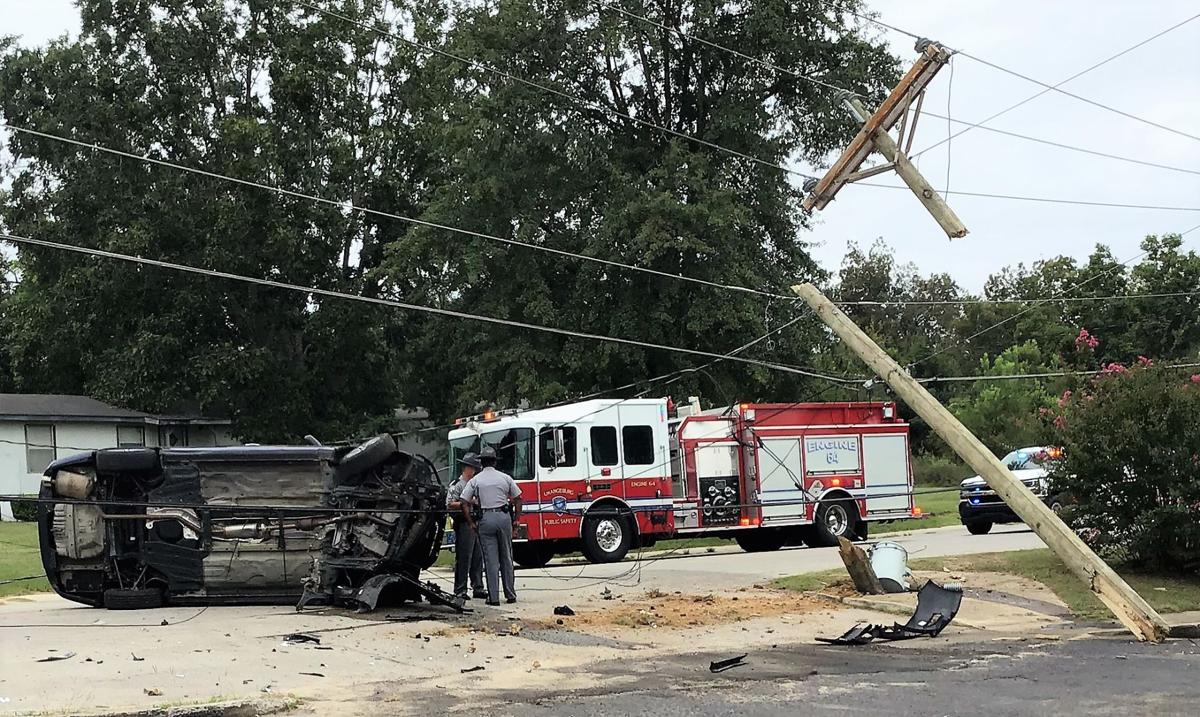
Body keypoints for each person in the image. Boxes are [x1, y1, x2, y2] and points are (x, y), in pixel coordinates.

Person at [460, 445, 522, 606]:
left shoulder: (476, 480)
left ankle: (493, 597)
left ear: (481, 463)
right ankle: (510, 594)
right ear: (494, 462)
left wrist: (471, 523)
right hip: (503, 517)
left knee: (490, 560)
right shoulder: (505, 477)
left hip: (486, 519)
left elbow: (464, 502)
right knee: (507, 557)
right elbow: (518, 498)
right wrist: (516, 520)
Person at [446, 452, 486, 600]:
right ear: (467, 468)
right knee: (464, 557)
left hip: (477, 521)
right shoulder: (457, 484)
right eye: (474, 468)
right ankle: (460, 589)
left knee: (478, 556)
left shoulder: (476, 484)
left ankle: (478, 586)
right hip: (463, 523)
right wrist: (468, 503)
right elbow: (449, 504)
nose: (476, 472)